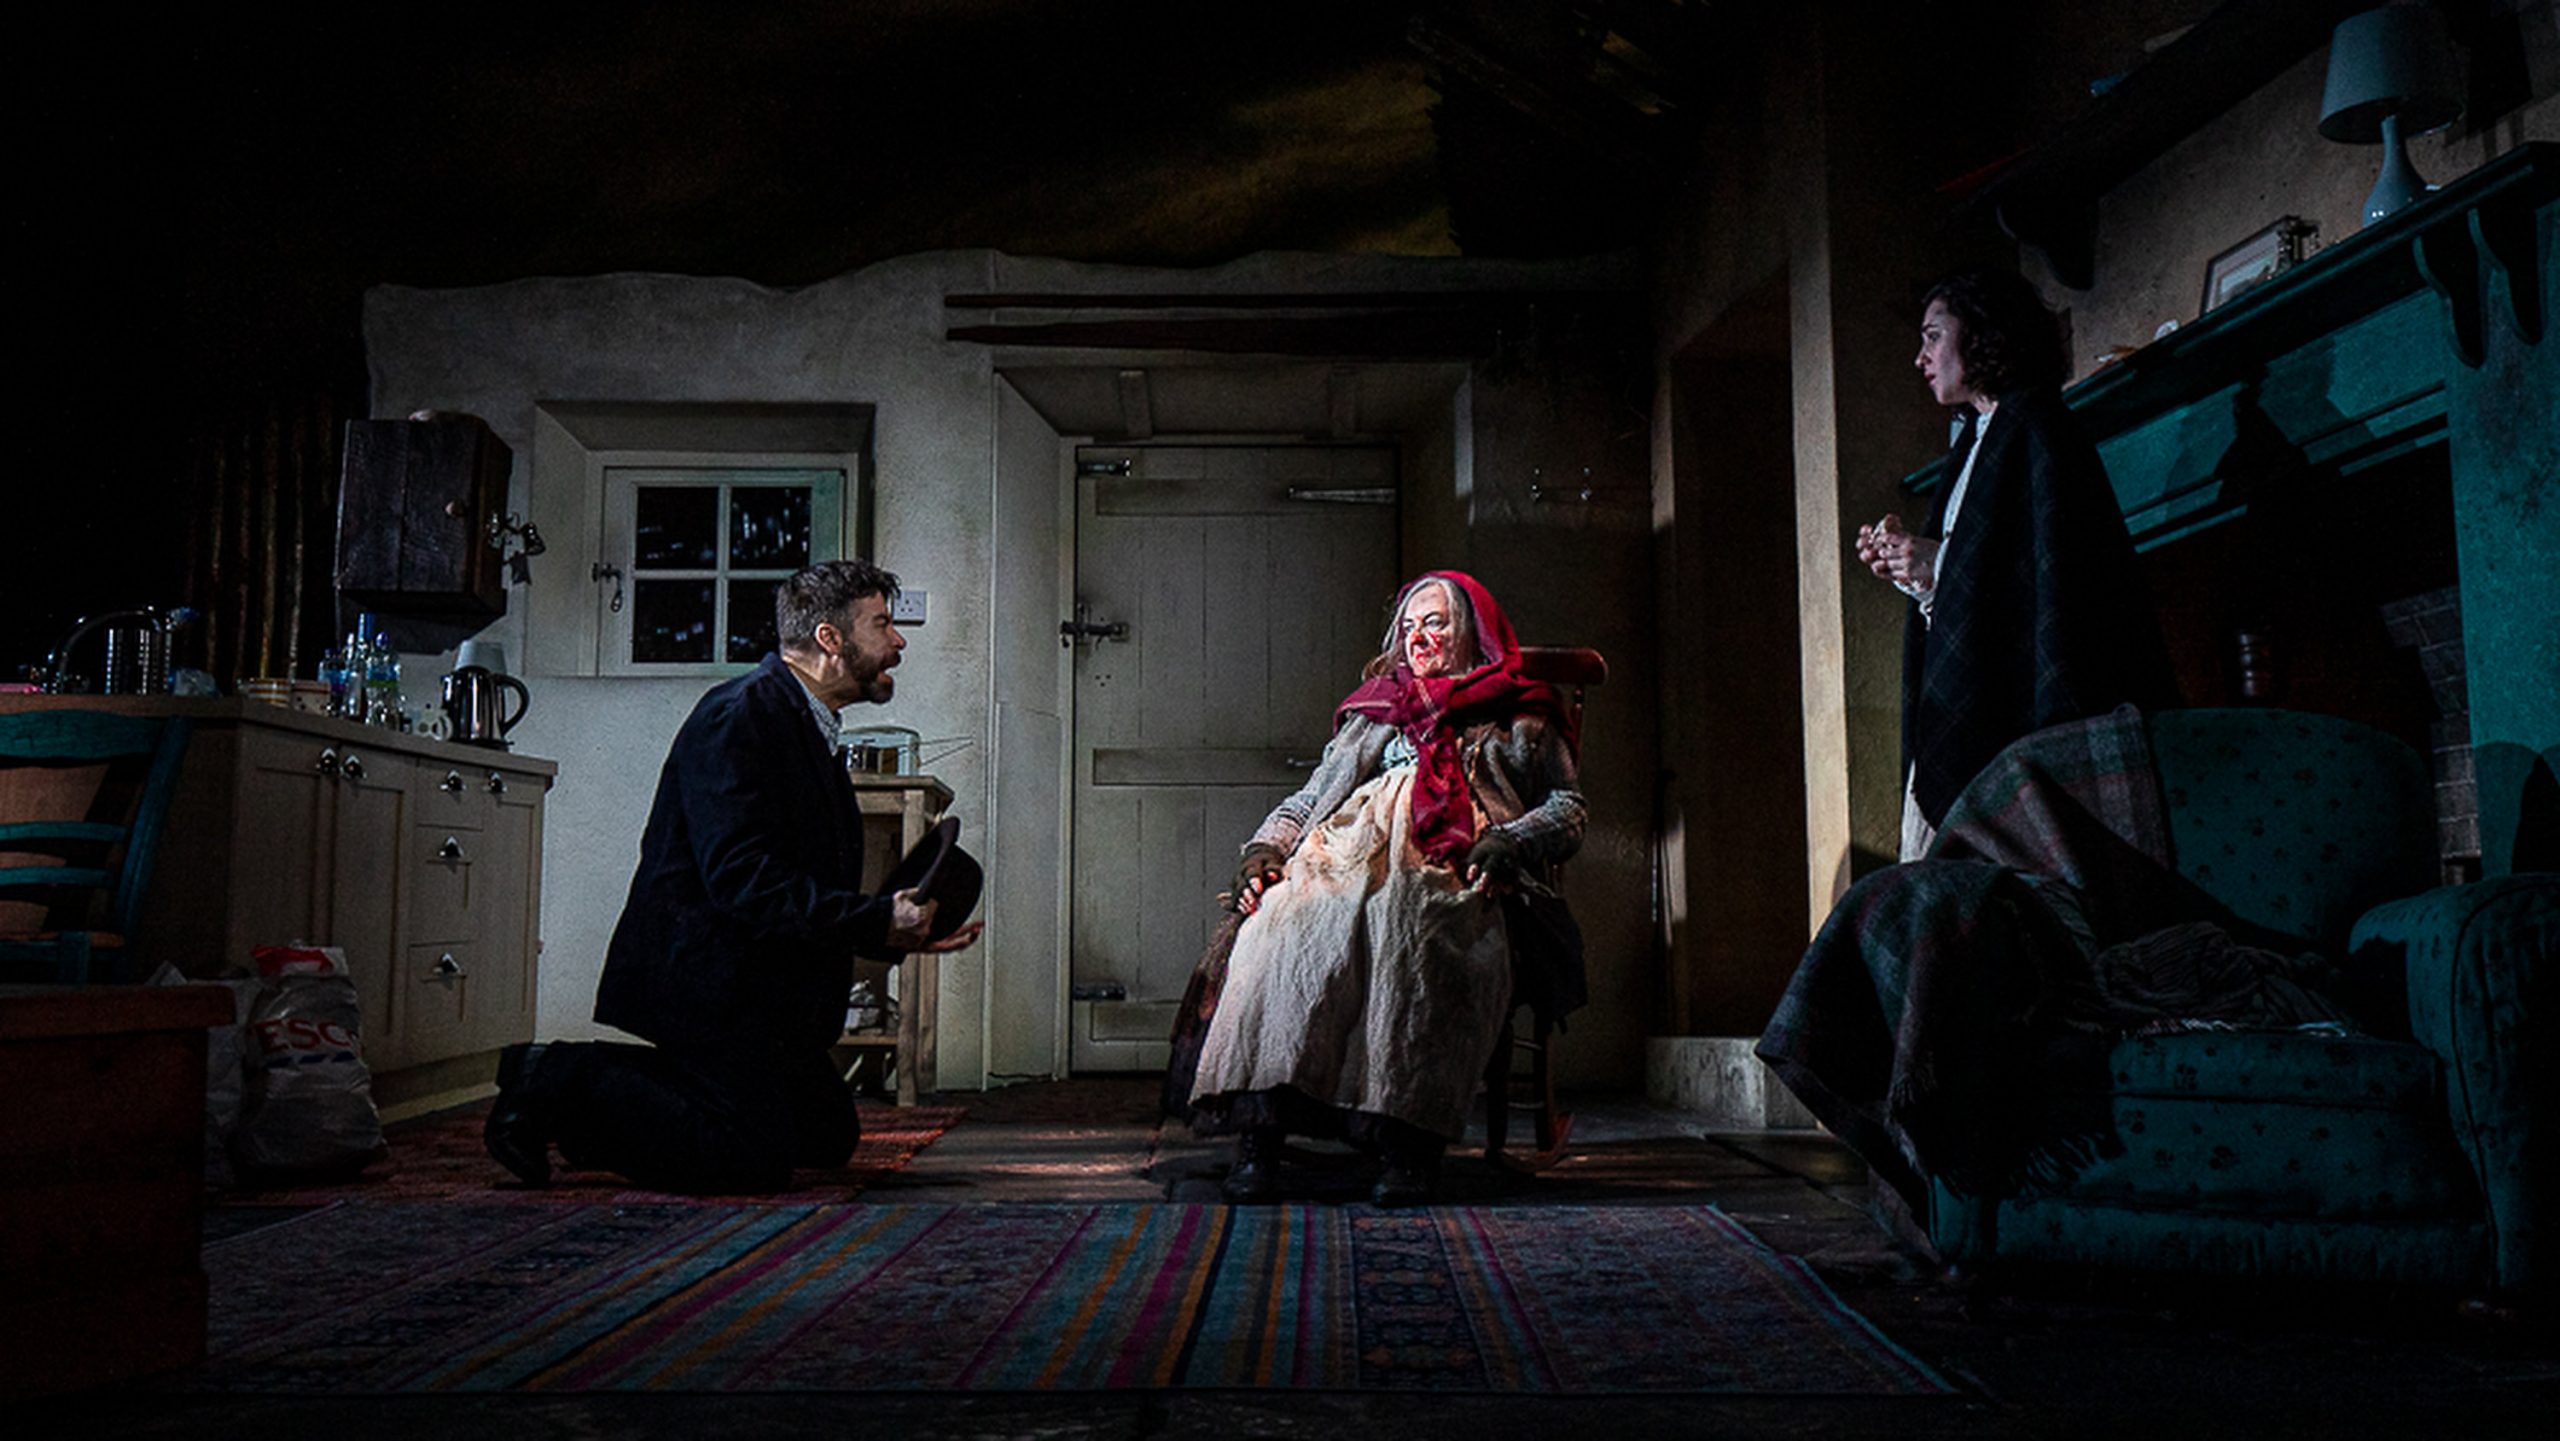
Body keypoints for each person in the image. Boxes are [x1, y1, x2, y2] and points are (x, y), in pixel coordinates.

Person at [482, 558, 982, 1194]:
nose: (898, 640)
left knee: (827, 1136)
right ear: (830, 639)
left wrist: (894, 932)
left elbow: (797, 888)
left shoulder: (809, 726)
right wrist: (875, 917)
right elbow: (742, 881)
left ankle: (600, 1120)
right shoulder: (739, 716)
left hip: (761, 994)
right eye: (881, 623)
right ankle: (551, 1077)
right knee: (751, 1158)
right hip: (706, 984)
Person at [1170, 571, 1586, 1207]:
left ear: (1470, 631)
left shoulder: (1521, 715)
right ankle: (1262, 1131)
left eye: (1437, 624)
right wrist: (1263, 849)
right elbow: (1311, 798)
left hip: (1456, 853)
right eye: (1410, 627)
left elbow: (1569, 806)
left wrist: (1513, 840)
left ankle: (1405, 1144)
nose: (1421, 638)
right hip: (1345, 847)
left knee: (1416, 930)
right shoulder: (1374, 714)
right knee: (1287, 920)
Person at [1857, 265, 2177, 859]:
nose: (1919, 357)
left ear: (1980, 334)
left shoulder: (2034, 428)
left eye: (1932, 335)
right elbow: (1979, 582)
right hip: (1969, 704)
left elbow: (2053, 582)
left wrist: (1941, 563)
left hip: (2016, 715)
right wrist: (1919, 570)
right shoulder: (1975, 442)